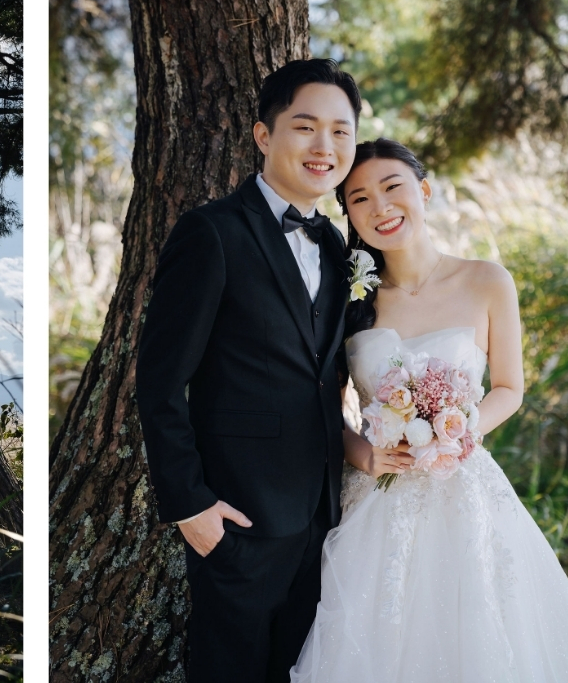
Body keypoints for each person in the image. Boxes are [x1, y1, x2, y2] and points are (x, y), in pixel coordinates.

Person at [290, 139, 568, 682]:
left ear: (423, 190)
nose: (381, 208)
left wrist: (458, 432)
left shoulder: (487, 280)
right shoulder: (346, 299)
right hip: (378, 497)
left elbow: (509, 388)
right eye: (360, 199)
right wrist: (362, 452)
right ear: (348, 214)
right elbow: (320, 401)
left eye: (393, 188)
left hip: (463, 483)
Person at [135, 58, 360, 682]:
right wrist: (190, 506)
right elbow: (158, 381)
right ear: (264, 136)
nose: (324, 146)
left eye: (340, 131)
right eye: (305, 126)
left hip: (323, 515)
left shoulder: (340, 248)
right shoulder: (210, 233)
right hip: (236, 518)